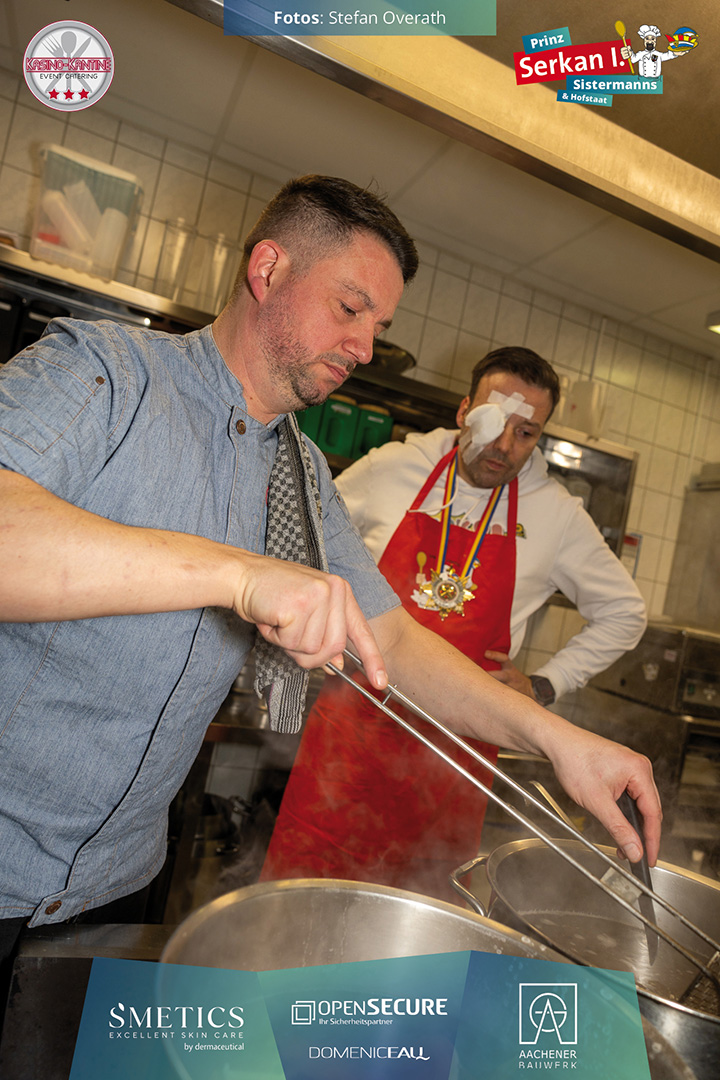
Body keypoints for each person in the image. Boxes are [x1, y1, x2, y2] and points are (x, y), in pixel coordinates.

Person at [0, 176, 659, 957]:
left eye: (378, 326)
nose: (365, 348)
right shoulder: (104, 372)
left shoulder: (301, 476)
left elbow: (396, 642)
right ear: (268, 269)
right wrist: (242, 574)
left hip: (111, 890)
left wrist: (556, 737)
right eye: (350, 309)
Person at [261, 347, 648, 899]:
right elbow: (299, 533)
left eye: (527, 433)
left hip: (455, 755)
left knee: (422, 914)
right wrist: (317, 617)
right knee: (300, 899)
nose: (505, 446)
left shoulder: (557, 515)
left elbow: (625, 613)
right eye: (494, 421)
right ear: (465, 409)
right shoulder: (394, 467)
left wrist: (545, 684)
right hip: (352, 738)